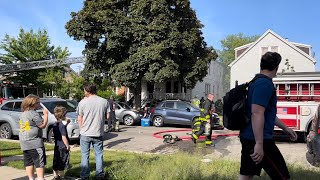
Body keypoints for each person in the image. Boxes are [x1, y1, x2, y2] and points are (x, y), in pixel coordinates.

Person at [239, 52, 298, 180]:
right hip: (260, 140)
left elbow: (265, 113)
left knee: (246, 175)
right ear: (276, 67)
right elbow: (257, 113)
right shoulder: (264, 84)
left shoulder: (255, 82)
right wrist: (259, 144)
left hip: (249, 137)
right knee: (282, 177)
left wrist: (285, 128)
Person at [77, 84, 110, 180]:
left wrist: (81, 129)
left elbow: (80, 118)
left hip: (85, 133)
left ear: (87, 91)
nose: (84, 92)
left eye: (84, 90)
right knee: (99, 154)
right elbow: (107, 117)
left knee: (84, 154)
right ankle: (99, 175)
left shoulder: (82, 102)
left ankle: (84, 176)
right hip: (98, 132)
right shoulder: (104, 101)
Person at [19, 94, 48, 180]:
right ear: (32, 104)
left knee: (28, 162)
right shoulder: (34, 114)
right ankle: (40, 178)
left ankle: (31, 178)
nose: (39, 104)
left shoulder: (23, 114)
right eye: (38, 103)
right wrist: (46, 115)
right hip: (34, 142)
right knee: (39, 161)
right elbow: (42, 125)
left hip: (24, 142)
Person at [52, 106, 71, 180]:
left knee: (56, 160)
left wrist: (66, 123)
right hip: (63, 146)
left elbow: (57, 132)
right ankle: (62, 177)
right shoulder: (62, 126)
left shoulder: (55, 124)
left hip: (57, 145)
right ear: (63, 115)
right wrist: (67, 145)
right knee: (62, 161)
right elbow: (63, 136)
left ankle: (56, 176)